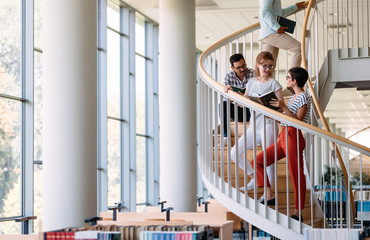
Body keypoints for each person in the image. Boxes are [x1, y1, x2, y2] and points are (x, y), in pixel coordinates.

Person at [250, 67, 311, 222]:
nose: (286, 80)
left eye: (288, 77)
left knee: (296, 173)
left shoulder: (303, 97)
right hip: (283, 135)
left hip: (293, 135)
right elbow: (284, 119)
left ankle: (298, 212)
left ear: (294, 81)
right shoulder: (292, 98)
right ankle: (268, 194)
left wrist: (283, 107)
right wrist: (270, 110)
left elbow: (297, 121)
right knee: (257, 161)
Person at [229, 51, 284, 194]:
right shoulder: (251, 82)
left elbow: (281, 108)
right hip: (253, 126)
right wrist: (231, 93)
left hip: (269, 124)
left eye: (271, 66)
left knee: (268, 162)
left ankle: (269, 195)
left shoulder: (274, 84)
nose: (267, 69)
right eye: (265, 65)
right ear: (258, 65)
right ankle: (254, 178)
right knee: (234, 153)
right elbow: (244, 103)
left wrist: (274, 109)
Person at [259, 0, 307, 68]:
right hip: (271, 33)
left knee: (268, 67)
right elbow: (264, 12)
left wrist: (295, 7)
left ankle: (291, 77)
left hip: (267, 34)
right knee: (298, 48)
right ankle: (293, 77)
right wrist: (277, 27)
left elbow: (280, 13)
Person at [222, 53, 254, 144]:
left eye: (244, 65)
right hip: (238, 111)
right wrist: (238, 98)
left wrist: (245, 97)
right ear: (232, 68)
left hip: (251, 110)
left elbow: (258, 95)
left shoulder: (253, 74)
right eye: (239, 67)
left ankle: (257, 135)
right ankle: (226, 137)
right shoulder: (229, 77)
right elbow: (226, 98)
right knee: (223, 105)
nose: (243, 69)